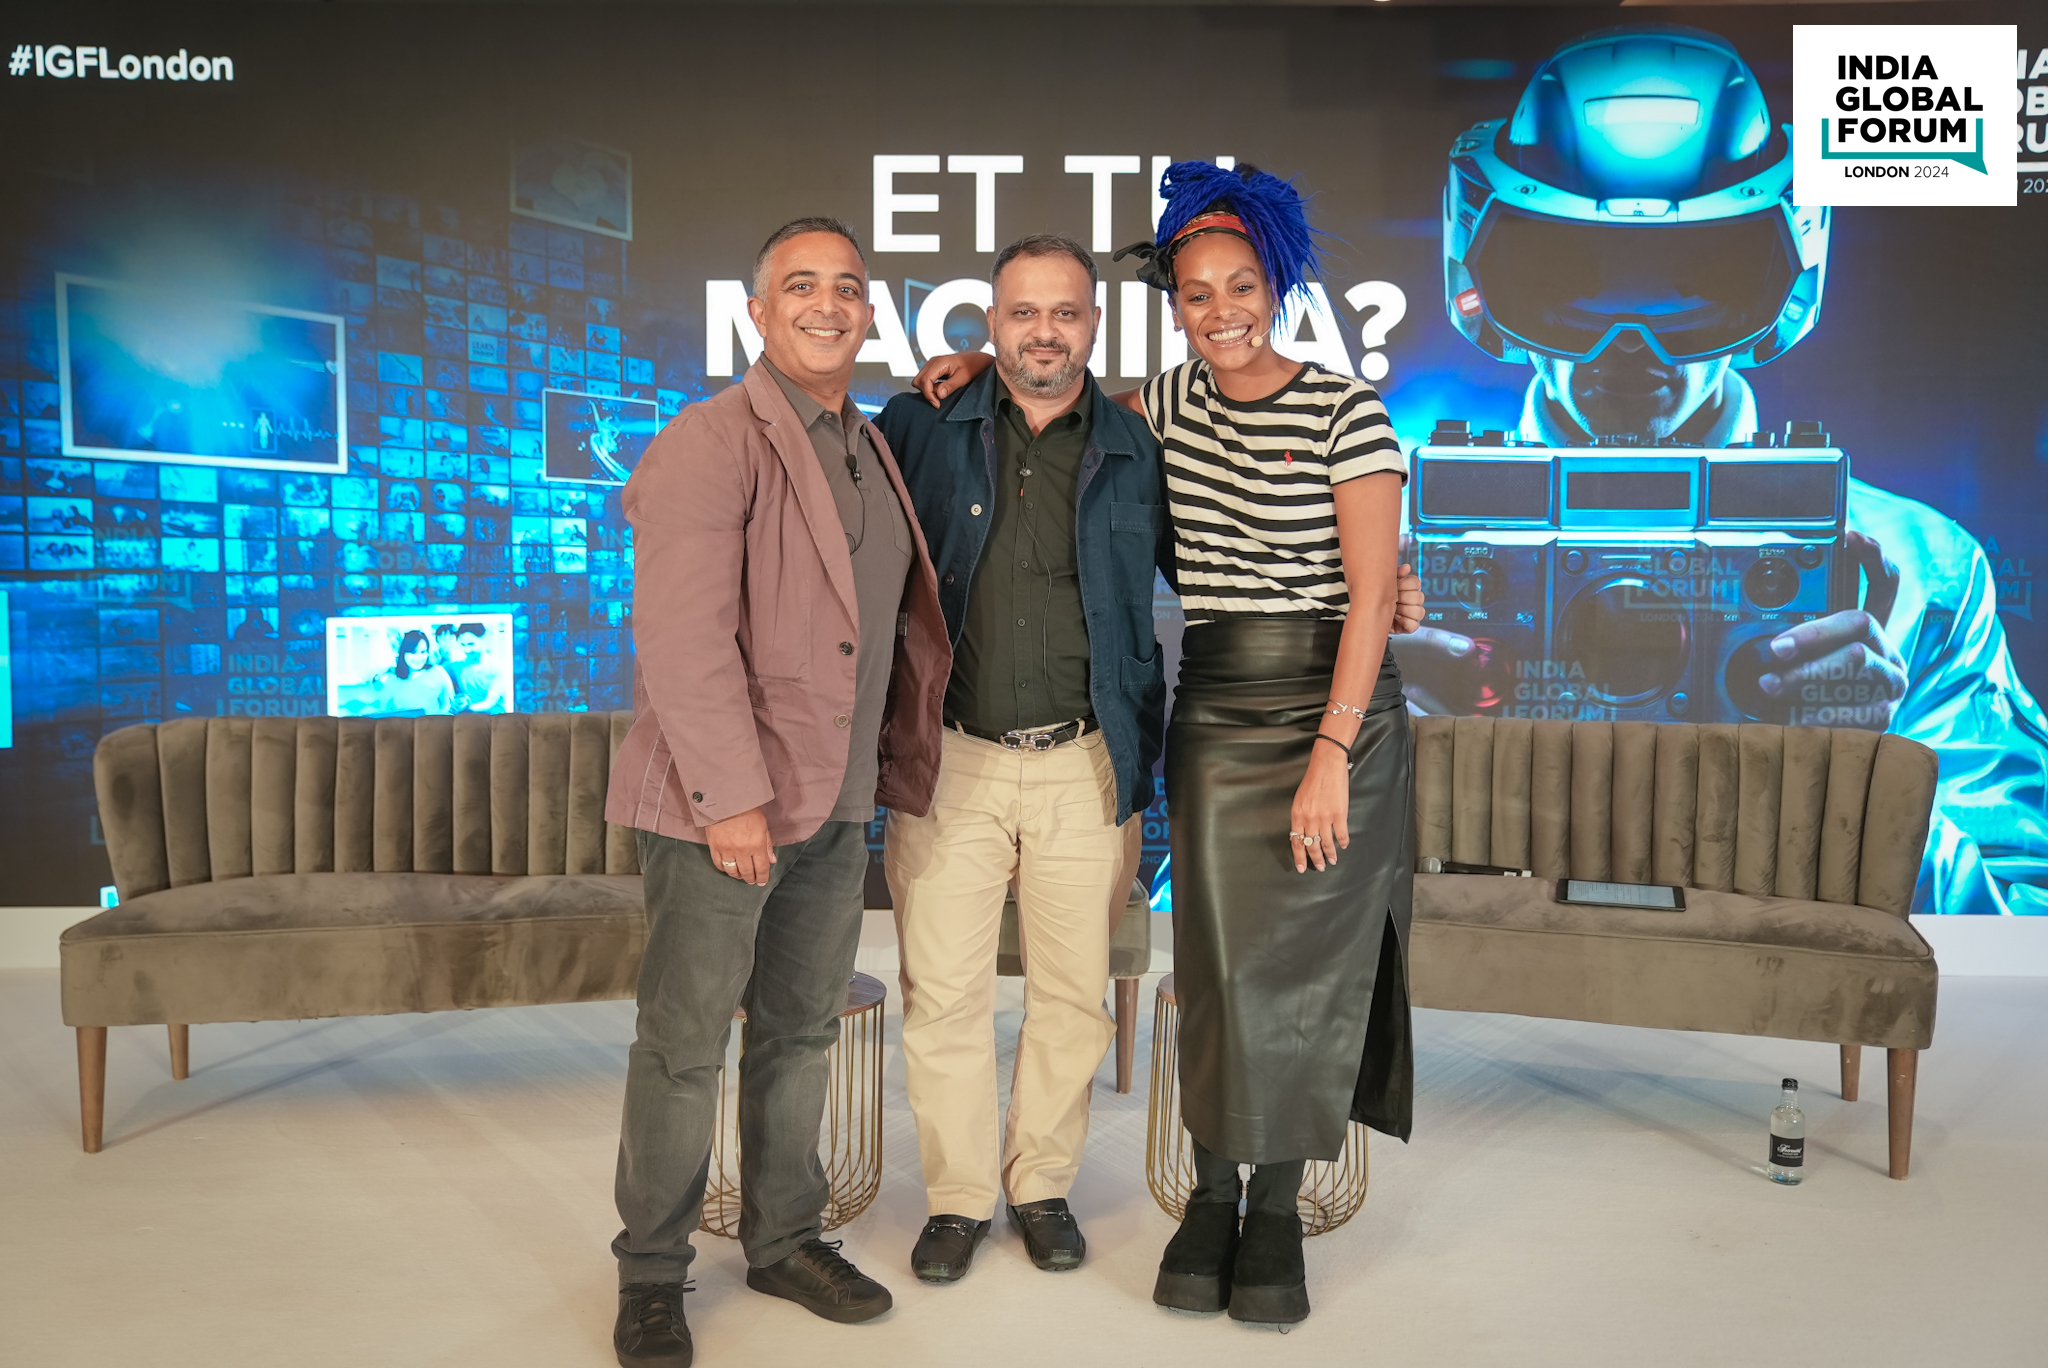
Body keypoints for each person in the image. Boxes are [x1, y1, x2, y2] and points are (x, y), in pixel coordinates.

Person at [914, 163, 1417, 1327]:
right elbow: (1056, 389)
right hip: (1217, 706)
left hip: (1335, 711)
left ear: (1276, 287)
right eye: (1196, 293)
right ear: (1172, 306)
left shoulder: (1346, 409)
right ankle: (1208, 1195)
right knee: (1218, 968)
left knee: (1307, 973)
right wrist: (978, 365)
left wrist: (1332, 753)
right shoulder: (1167, 406)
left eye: (1241, 286)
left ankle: (1275, 1210)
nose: (1220, 309)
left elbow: (1373, 597)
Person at [1408, 25, 2048, 917]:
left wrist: (1867, 786)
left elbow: (2023, 921)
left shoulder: (1910, 573)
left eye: (1694, 280)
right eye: (1570, 274)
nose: (1629, 344)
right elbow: (1232, 898)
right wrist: (1359, 760)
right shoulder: (1381, 550)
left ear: (1781, 271)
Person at [603, 217, 950, 1368]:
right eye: (800, 286)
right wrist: (729, 802)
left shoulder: (867, 442)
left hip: (835, 801)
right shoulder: (711, 441)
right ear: (757, 313)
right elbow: (681, 640)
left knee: (799, 1033)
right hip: (723, 810)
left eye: (847, 287)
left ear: (870, 313)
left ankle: (783, 1240)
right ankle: (652, 1275)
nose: (826, 304)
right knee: (683, 1045)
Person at [876, 234, 1168, 1285]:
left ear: (1094, 325)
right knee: (942, 996)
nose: (1045, 332)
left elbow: (1229, 561)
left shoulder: (1142, 442)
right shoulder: (918, 423)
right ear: (990, 322)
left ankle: (1040, 1187)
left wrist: (1383, 586)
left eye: (1065, 313)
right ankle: (958, 1200)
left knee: (1073, 998)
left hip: (1085, 763)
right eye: (1023, 313)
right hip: (950, 758)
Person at [376, 629, 454, 715]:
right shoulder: (391, 680)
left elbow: (449, 703)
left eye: (423, 652)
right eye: (413, 652)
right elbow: (383, 712)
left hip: (435, 722)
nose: (418, 658)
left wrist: (437, 719)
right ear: (403, 653)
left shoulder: (437, 672)